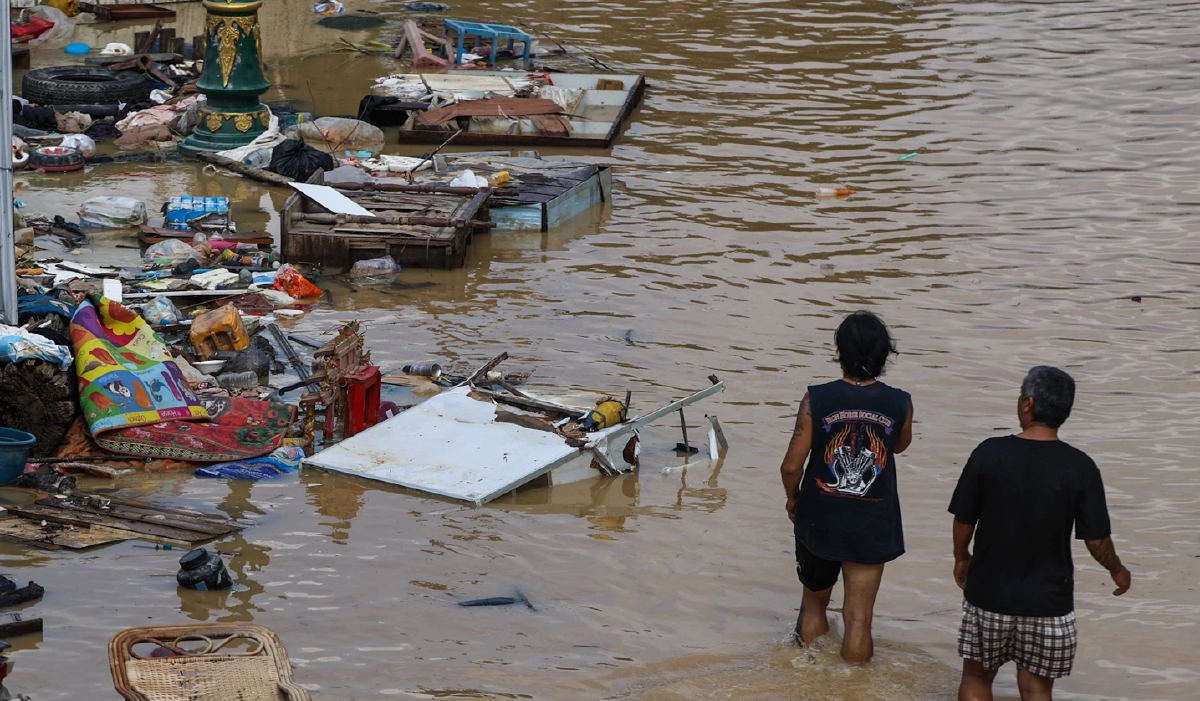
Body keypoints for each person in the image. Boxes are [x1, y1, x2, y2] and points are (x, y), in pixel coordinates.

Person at [949, 366, 1131, 701]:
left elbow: (964, 520)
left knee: (976, 677)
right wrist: (1117, 571)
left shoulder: (989, 453)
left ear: (1027, 404)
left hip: (989, 593)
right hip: (1049, 603)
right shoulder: (1081, 466)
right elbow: (1096, 541)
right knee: (1036, 689)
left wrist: (962, 558)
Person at [779, 311, 915, 663]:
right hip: (873, 520)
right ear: (885, 355)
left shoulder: (815, 399)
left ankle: (809, 675)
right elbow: (899, 446)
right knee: (859, 619)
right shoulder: (900, 402)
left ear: (840, 351)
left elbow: (792, 465)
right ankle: (852, 687)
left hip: (819, 517)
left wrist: (793, 500)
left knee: (813, 602)